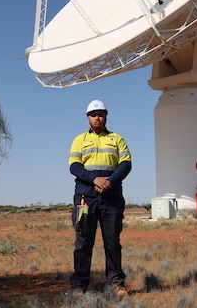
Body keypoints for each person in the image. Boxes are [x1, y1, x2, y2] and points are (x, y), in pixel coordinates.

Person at [68, 99, 132, 298]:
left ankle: (116, 284)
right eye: (93, 114)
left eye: (101, 114)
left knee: (112, 242)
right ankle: (79, 286)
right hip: (86, 198)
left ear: (106, 116)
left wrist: (109, 182)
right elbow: (74, 166)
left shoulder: (116, 139)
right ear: (88, 118)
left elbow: (126, 164)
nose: (98, 117)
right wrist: (94, 179)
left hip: (111, 198)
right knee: (83, 243)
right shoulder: (79, 140)